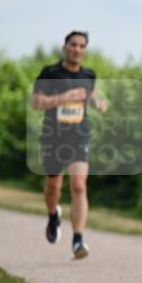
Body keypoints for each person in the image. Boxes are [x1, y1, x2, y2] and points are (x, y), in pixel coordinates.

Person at [32, 30, 108, 259]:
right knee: (54, 187)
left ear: (85, 50)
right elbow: (37, 103)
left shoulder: (89, 75)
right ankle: (53, 215)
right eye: (73, 44)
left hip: (79, 135)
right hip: (53, 136)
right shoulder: (50, 72)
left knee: (78, 184)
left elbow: (89, 95)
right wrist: (64, 98)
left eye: (81, 46)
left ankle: (78, 240)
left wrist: (97, 102)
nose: (77, 49)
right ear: (65, 47)